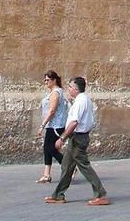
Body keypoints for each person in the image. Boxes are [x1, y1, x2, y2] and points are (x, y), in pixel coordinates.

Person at [45, 76, 109, 206]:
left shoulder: (81, 101)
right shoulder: (82, 99)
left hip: (78, 138)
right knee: (67, 166)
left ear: (75, 89)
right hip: (77, 137)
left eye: (70, 87)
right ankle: (58, 195)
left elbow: (74, 122)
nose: (68, 89)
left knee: (84, 166)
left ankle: (100, 194)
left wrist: (62, 138)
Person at [37, 71, 68, 184]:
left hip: (55, 125)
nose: (46, 82)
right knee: (47, 149)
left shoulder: (55, 93)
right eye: (45, 80)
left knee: (51, 149)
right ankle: (46, 175)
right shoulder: (54, 92)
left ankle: (69, 166)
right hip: (52, 125)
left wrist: (42, 125)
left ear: (54, 80)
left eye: (48, 80)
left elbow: (52, 111)